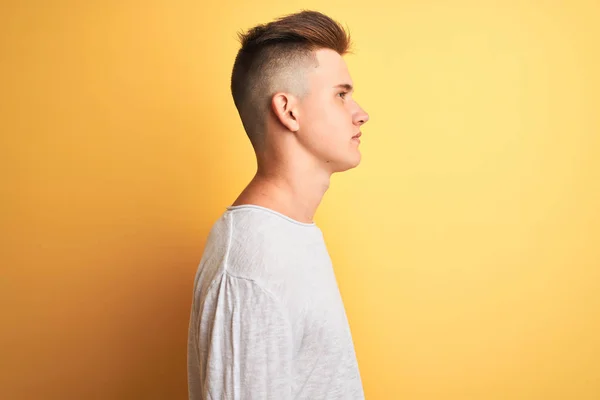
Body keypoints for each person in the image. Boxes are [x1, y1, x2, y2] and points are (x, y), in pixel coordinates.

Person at [187, 9, 370, 400]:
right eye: (341, 95)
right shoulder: (252, 266)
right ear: (289, 111)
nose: (361, 114)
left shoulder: (289, 234)